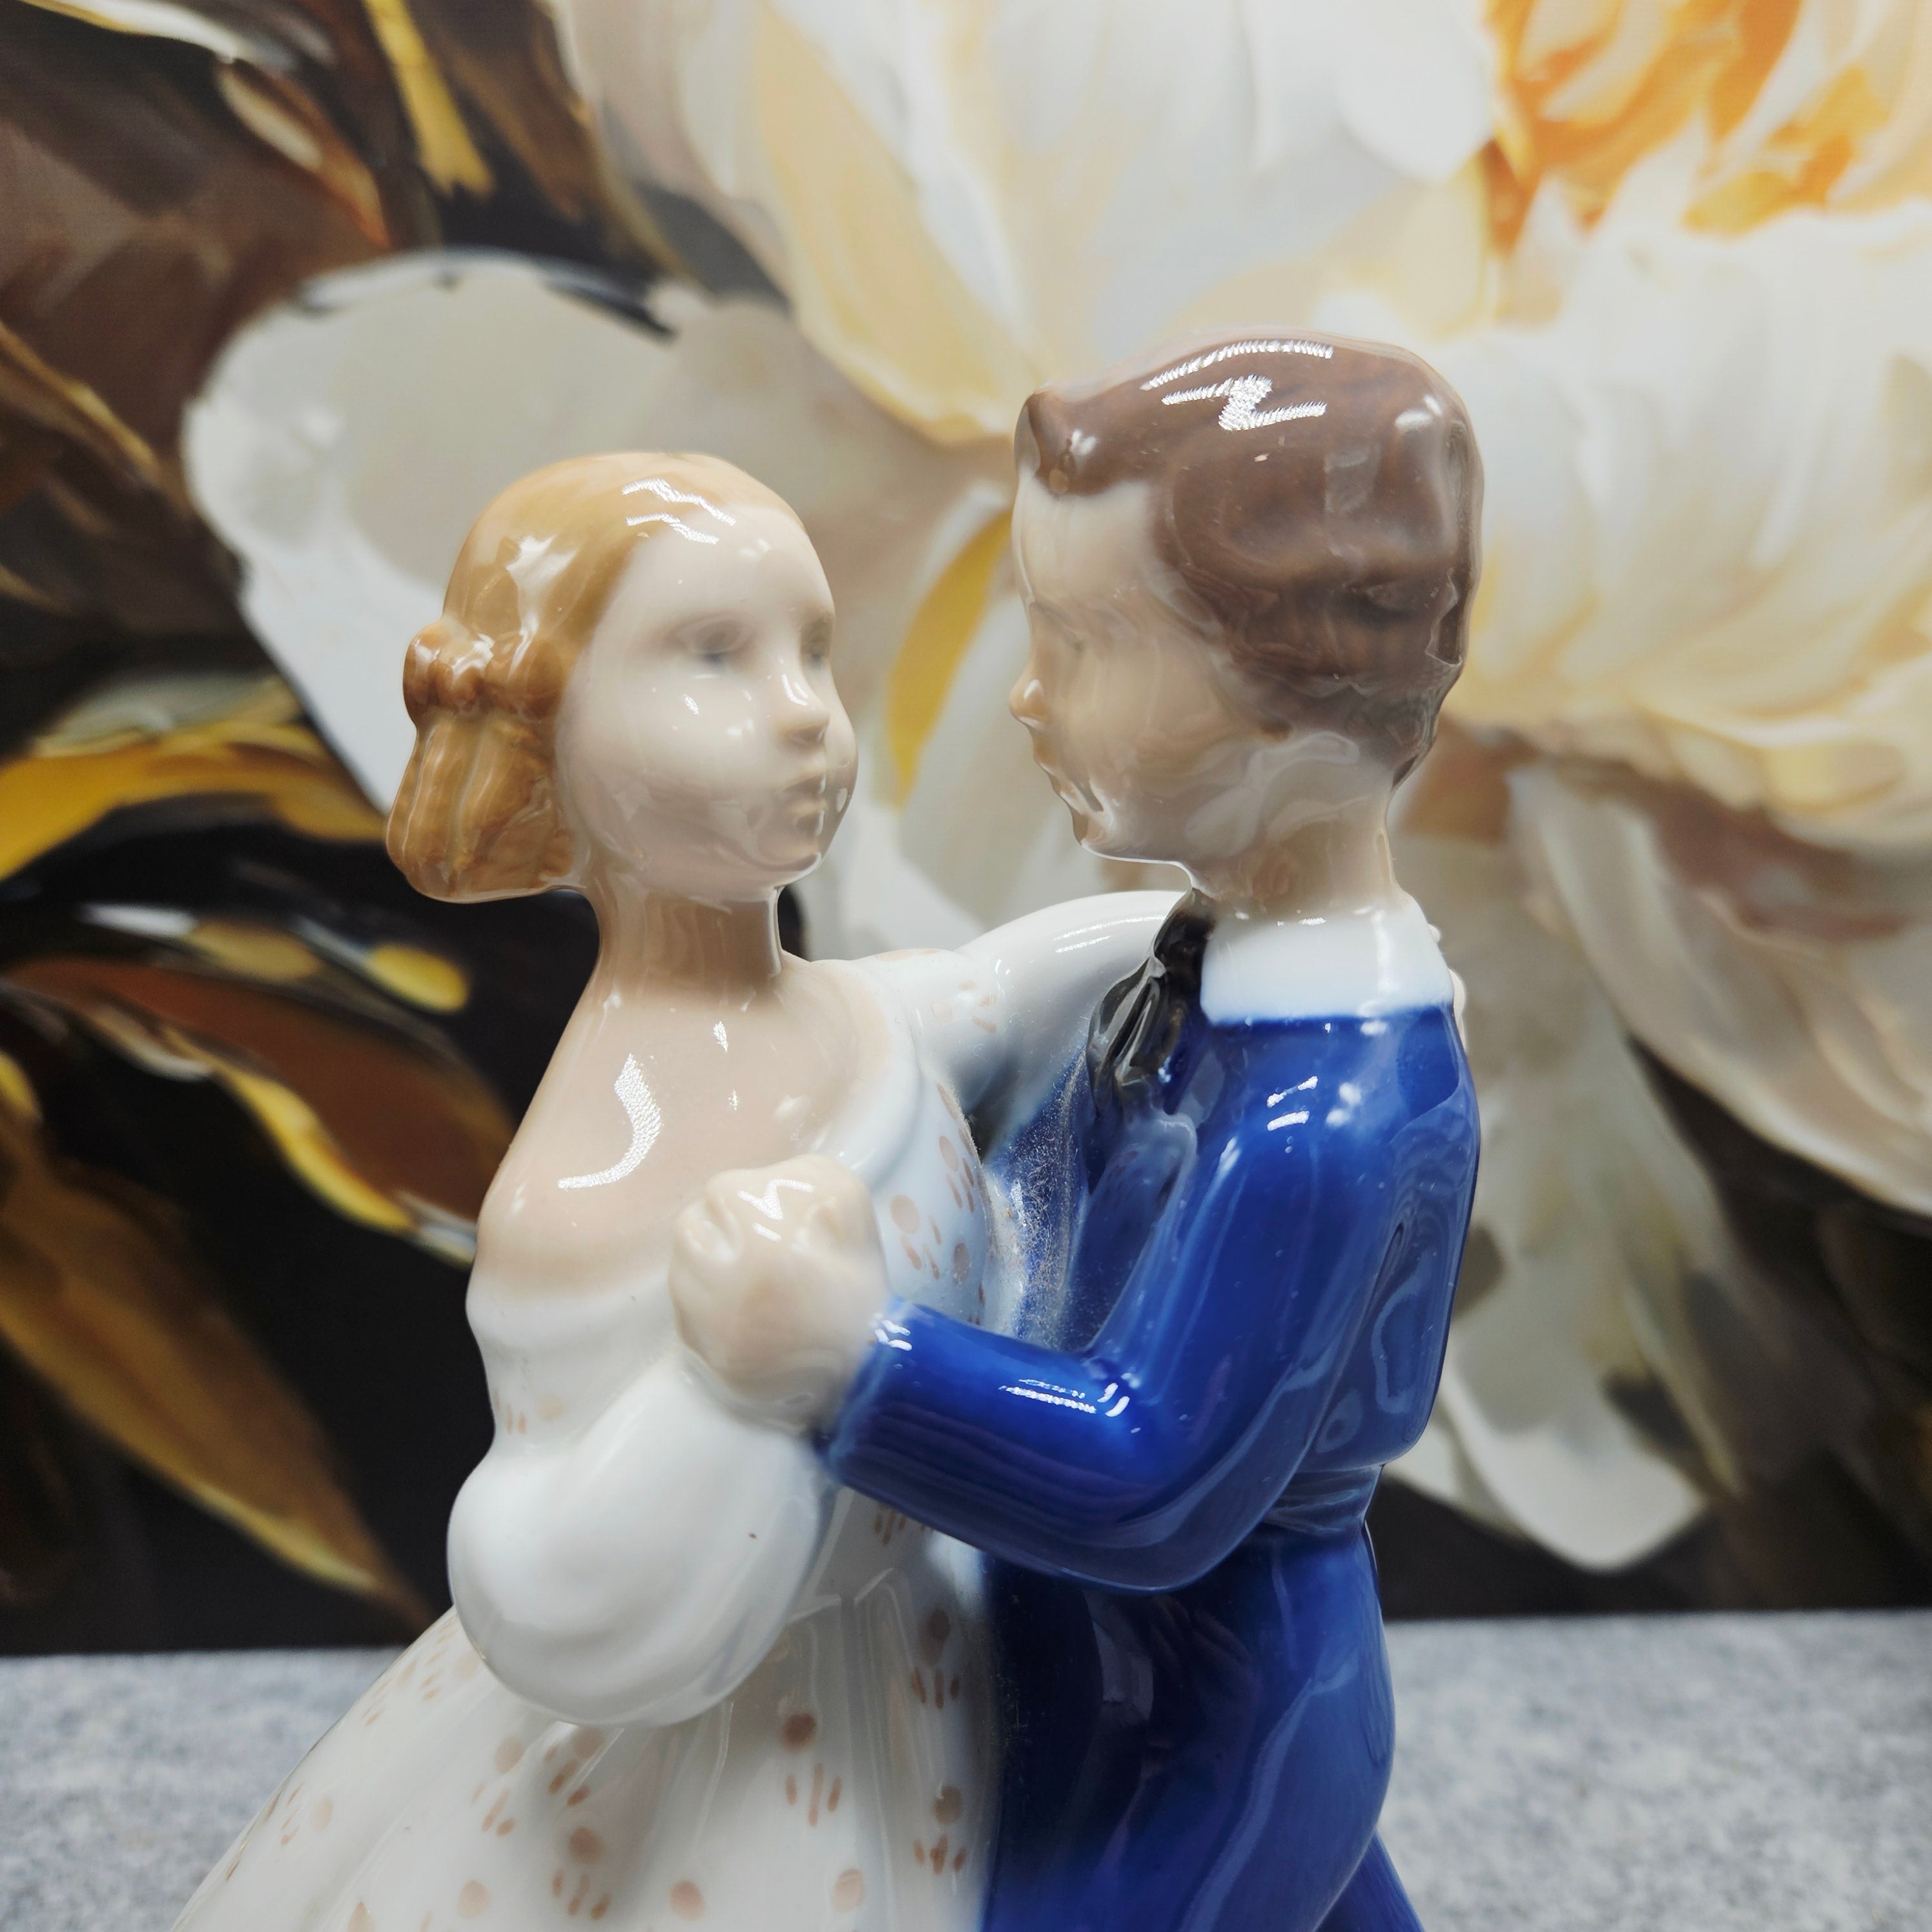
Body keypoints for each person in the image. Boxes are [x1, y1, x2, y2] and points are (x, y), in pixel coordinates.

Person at [174, 453, 1170, 1932]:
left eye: (811, 651)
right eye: (713, 656)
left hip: (938, 1663)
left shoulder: (867, 1020)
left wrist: (1238, 933)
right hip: (745, 1757)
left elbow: (1000, 987)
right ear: (550, 726)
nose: (801, 708)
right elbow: (540, 1581)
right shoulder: (591, 1182)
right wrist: (733, 1380)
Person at [678, 332, 1484, 1932]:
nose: (1027, 692)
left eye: (1087, 639)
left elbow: (1148, 1477)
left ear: (1301, 691)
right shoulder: (1189, 971)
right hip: (1091, 1668)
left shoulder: (1322, 1124)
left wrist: (848, 1355)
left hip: (1206, 1718)